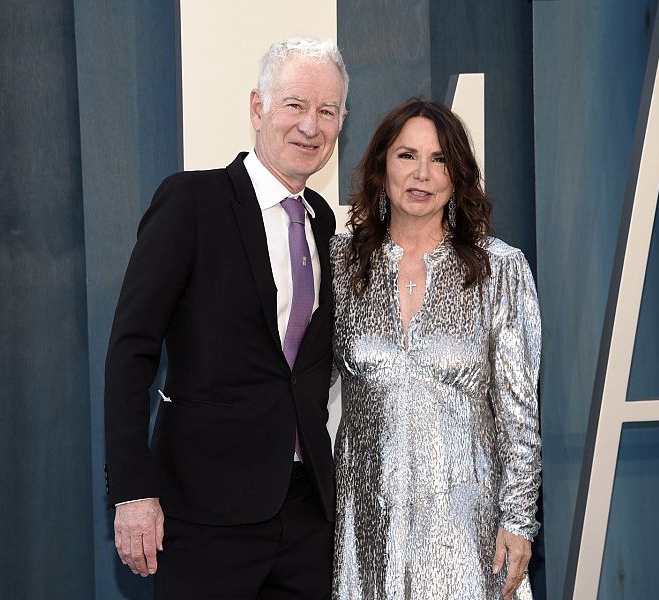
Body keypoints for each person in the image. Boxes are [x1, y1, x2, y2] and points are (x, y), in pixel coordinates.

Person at [104, 37, 348, 599]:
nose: (310, 126)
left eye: (327, 111)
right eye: (295, 105)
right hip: (203, 514)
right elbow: (131, 349)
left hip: (305, 515)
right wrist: (132, 490)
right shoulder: (191, 202)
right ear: (258, 108)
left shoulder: (321, 219)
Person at [330, 98, 541, 600]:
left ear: (457, 175)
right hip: (367, 526)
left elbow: (519, 413)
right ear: (382, 166)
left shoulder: (499, 269)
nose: (422, 174)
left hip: (466, 528)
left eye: (440, 159)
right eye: (407, 156)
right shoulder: (341, 262)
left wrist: (517, 520)